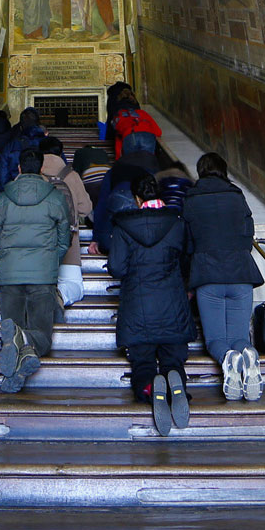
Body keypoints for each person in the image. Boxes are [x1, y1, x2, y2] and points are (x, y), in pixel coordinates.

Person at [106, 176, 194, 436]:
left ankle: (148, 385)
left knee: (142, 361)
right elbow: (188, 258)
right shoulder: (177, 223)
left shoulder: (123, 227)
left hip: (137, 304)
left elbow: (116, 268)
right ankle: (174, 380)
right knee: (173, 357)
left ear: (137, 199)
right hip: (173, 303)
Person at [181, 153, 265, 402]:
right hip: (241, 273)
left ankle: (229, 359)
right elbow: (248, 233)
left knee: (217, 340)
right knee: (239, 336)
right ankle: (248, 353)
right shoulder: (237, 197)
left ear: (200, 171)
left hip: (208, 275)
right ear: (224, 170)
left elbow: (187, 243)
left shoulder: (191, 199)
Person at [0, 148, 73, 392]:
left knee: (10, 334)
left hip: (10, 275)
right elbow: (64, 238)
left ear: (18, 168)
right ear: (41, 169)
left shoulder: (4, 198)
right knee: (43, 338)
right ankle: (24, 342)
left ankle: (13, 376)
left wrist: (6, 258)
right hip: (42, 276)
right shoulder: (55, 197)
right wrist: (50, 259)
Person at [39, 136, 93, 305]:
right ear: (61, 153)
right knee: (74, 286)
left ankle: (39, 299)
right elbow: (86, 208)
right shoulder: (71, 175)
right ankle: (61, 295)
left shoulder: (31, 175)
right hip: (69, 242)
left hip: (38, 242)